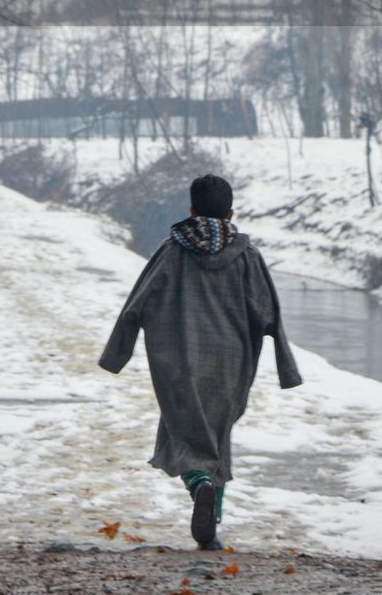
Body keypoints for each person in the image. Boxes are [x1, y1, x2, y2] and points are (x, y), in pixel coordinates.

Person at [99, 172, 302, 550]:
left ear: (191, 209)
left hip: (177, 359)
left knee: (183, 432)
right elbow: (268, 310)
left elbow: (136, 304)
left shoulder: (172, 251)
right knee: (216, 436)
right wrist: (286, 367)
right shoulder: (248, 257)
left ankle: (198, 484)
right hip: (232, 362)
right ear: (231, 213)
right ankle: (210, 522)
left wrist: (116, 355)